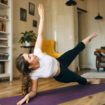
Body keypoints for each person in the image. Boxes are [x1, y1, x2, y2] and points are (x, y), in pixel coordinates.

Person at [16, 4, 101, 105]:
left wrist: (42, 17)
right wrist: (28, 95)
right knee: (79, 79)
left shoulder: (37, 52)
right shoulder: (34, 74)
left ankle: (88, 38)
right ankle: (89, 81)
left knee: (75, 50)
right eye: (30, 57)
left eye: (29, 54)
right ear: (30, 66)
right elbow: (34, 91)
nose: (32, 54)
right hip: (61, 74)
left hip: (60, 61)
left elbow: (40, 34)